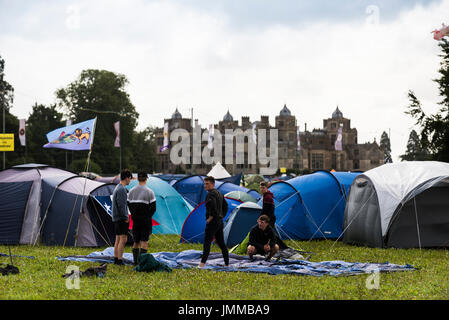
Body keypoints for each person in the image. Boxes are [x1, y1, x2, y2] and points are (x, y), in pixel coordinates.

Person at [199, 176, 229, 268]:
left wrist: (211, 217)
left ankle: (202, 264)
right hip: (219, 221)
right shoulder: (219, 193)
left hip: (213, 221)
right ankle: (227, 264)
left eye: (207, 184)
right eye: (204, 184)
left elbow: (212, 205)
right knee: (221, 243)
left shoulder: (210, 194)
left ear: (212, 184)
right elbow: (226, 205)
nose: (205, 186)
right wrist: (222, 215)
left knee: (207, 242)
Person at [127, 171, 156, 266]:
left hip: (135, 220)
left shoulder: (131, 191)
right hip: (145, 220)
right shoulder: (150, 192)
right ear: (146, 179)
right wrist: (148, 216)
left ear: (138, 179)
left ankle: (135, 262)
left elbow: (128, 204)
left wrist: (134, 214)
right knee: (144, 242)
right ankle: (142, 263)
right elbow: (153, 208)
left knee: (136, 241)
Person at [112, 169, 132, 265]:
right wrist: (125, 217)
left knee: (118, 239)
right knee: (123, 239)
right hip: (120, 218)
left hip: (116, 218)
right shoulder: (122, 189)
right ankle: (119, 260)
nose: (130, 181)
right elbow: (121, 205)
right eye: (130, 178)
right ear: (127, 178)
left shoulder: (117, 187)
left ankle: (116, 259)